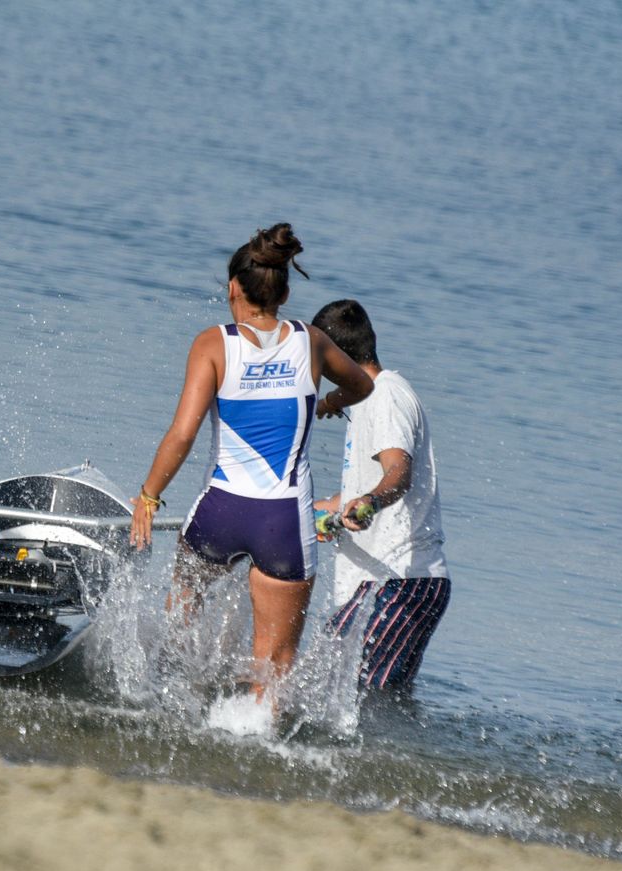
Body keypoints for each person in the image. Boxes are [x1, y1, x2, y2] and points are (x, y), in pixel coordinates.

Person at [130, 224, 372, 703]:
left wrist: (148, 497)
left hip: (219, 511)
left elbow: (183, 433)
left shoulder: (212, 344)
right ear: (285, 293)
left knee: (179, 637)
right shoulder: (312, 341)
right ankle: (254, 733)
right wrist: (328, 402)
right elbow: (363, 385)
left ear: (232, 289)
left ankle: (171, 707)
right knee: (273, 673)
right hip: (283, 520)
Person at [311, 299, 450, 691]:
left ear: (334, 357)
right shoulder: (369, 397)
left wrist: (370, 503)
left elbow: (398, 472)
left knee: (335, 691)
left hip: (399, 581)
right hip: (392, 584)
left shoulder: (385, 398)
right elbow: (357, 491)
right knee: (352, 695)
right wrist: (309, 510)